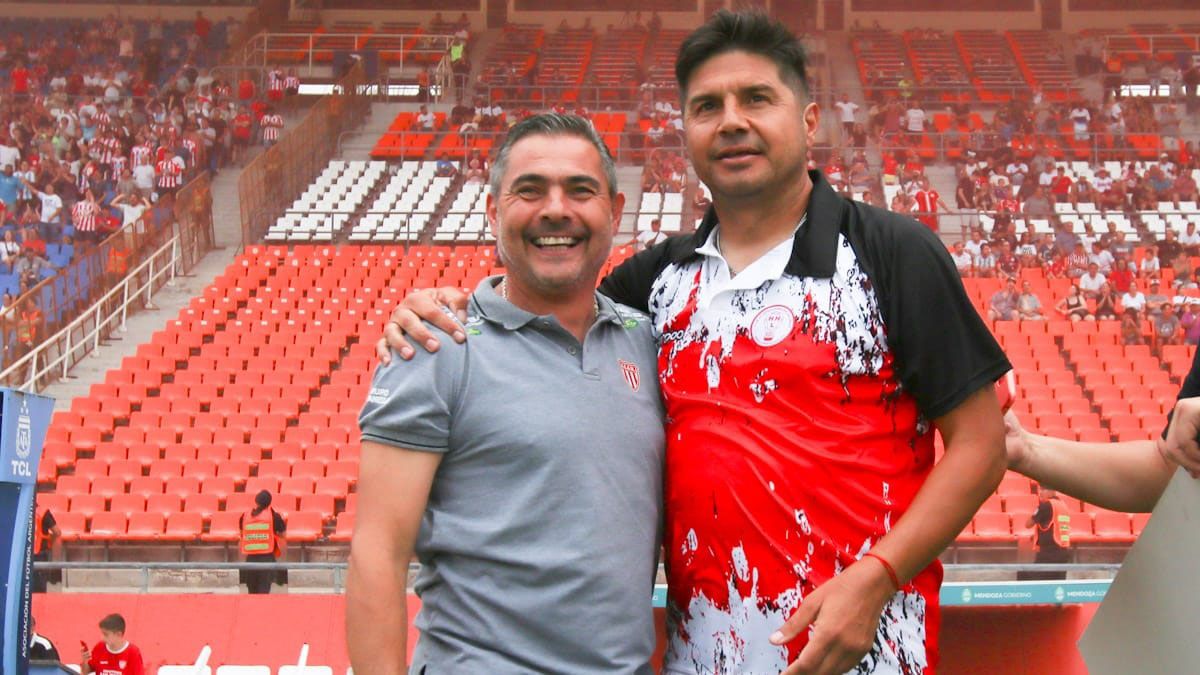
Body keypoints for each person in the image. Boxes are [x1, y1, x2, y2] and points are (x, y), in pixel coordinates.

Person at [379, 13, 1010, 673]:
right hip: (699, 658)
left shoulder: (892, 253)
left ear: (810, 119)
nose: (732, 120)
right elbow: (541, 301)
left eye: (757, 98)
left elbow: (981, 444)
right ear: (685, 131)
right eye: (707, 107)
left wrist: (877, 576)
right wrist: (434, 304)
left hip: (865, 654)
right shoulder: (654, 281)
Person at [347, 114, 664, 673]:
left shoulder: (647, 343)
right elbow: (378, 554)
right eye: (530, 190)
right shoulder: (435, 346)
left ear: (615, 212)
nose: (556, 210)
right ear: (494, 211)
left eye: (580, 190)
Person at [1018, 484, 1072, 581]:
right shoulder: (1063, 505)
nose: (1040, 492)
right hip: (1063, 553)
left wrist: (1037, 510)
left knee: (1025, 577)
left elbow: (1028, 524)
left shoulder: (1046, 506)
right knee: (1057, 585)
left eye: (1044, 489)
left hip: (1049, 554)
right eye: (1040, 489)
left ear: (1052, 491)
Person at [238, 490, 286, 595]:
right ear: (269, 503)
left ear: (256, 501)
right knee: (263, 592)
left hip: (250, 559)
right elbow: (282, 534)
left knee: (252, 592)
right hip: (266, 559)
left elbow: (242, 534)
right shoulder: (274, 516)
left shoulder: (245, 516)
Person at [31, 505, 60, 593]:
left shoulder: (19, 510)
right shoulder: (43, 512)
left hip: (23, 555)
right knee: (39, 589)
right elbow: (57, 532)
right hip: (40, 554)